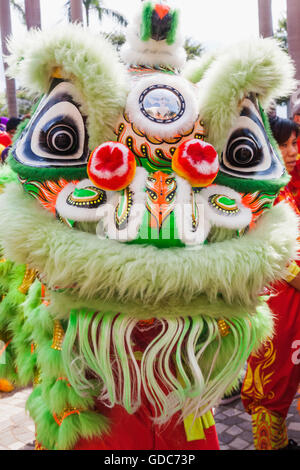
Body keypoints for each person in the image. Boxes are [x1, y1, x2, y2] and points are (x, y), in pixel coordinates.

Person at [241, 116, 300, 451]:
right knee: (271, 384)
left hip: (293, 299)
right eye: (284, 144)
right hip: (278, 300)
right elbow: (263, 251)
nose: (292, 152)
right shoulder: (258, 194)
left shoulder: (281, 187)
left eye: (294, 144)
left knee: (286, 378)